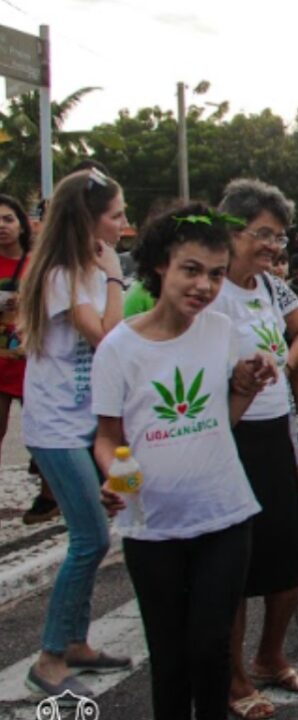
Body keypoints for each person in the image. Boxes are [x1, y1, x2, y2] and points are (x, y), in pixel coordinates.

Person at [93, 203, 274, 719]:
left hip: (224, 516)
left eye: (216, 274)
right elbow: (106, 438)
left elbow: (226, 418)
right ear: (159, 267)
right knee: (170, 659)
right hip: (152, 529)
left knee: (210, 649)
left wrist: (248, 384)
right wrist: (112, 474)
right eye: (191, 270)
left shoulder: (221, 331)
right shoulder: (118, 348)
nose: (204, 286)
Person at [208, 179, 298, 719]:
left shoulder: (274, 288)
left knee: (286, 553)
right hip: (228, 435)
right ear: (231, 230)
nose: (274, 246)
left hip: (276, 429)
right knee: (233, 562)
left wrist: (286, 366)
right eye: (263, 234)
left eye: (279, 236)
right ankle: (232, 681)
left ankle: (270, 656)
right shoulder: (207, 287)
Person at [18, 169, 131, 697]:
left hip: (87, 425)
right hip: (56, 428)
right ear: (89, 220)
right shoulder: (64, 273)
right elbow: (107, 338)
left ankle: (78, 643)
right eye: (116, 215)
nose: (124, 224)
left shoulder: (84, 268)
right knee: (89, 539)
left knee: (101, 526)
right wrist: (114, 277)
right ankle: (49, 657)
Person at [0, 194, 53, 525]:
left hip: (35, 364)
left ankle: (50, 496)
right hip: (0, 364)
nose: (1, 227)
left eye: (7, 219)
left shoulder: (39, 262)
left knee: (44, 437)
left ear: (21, 223)